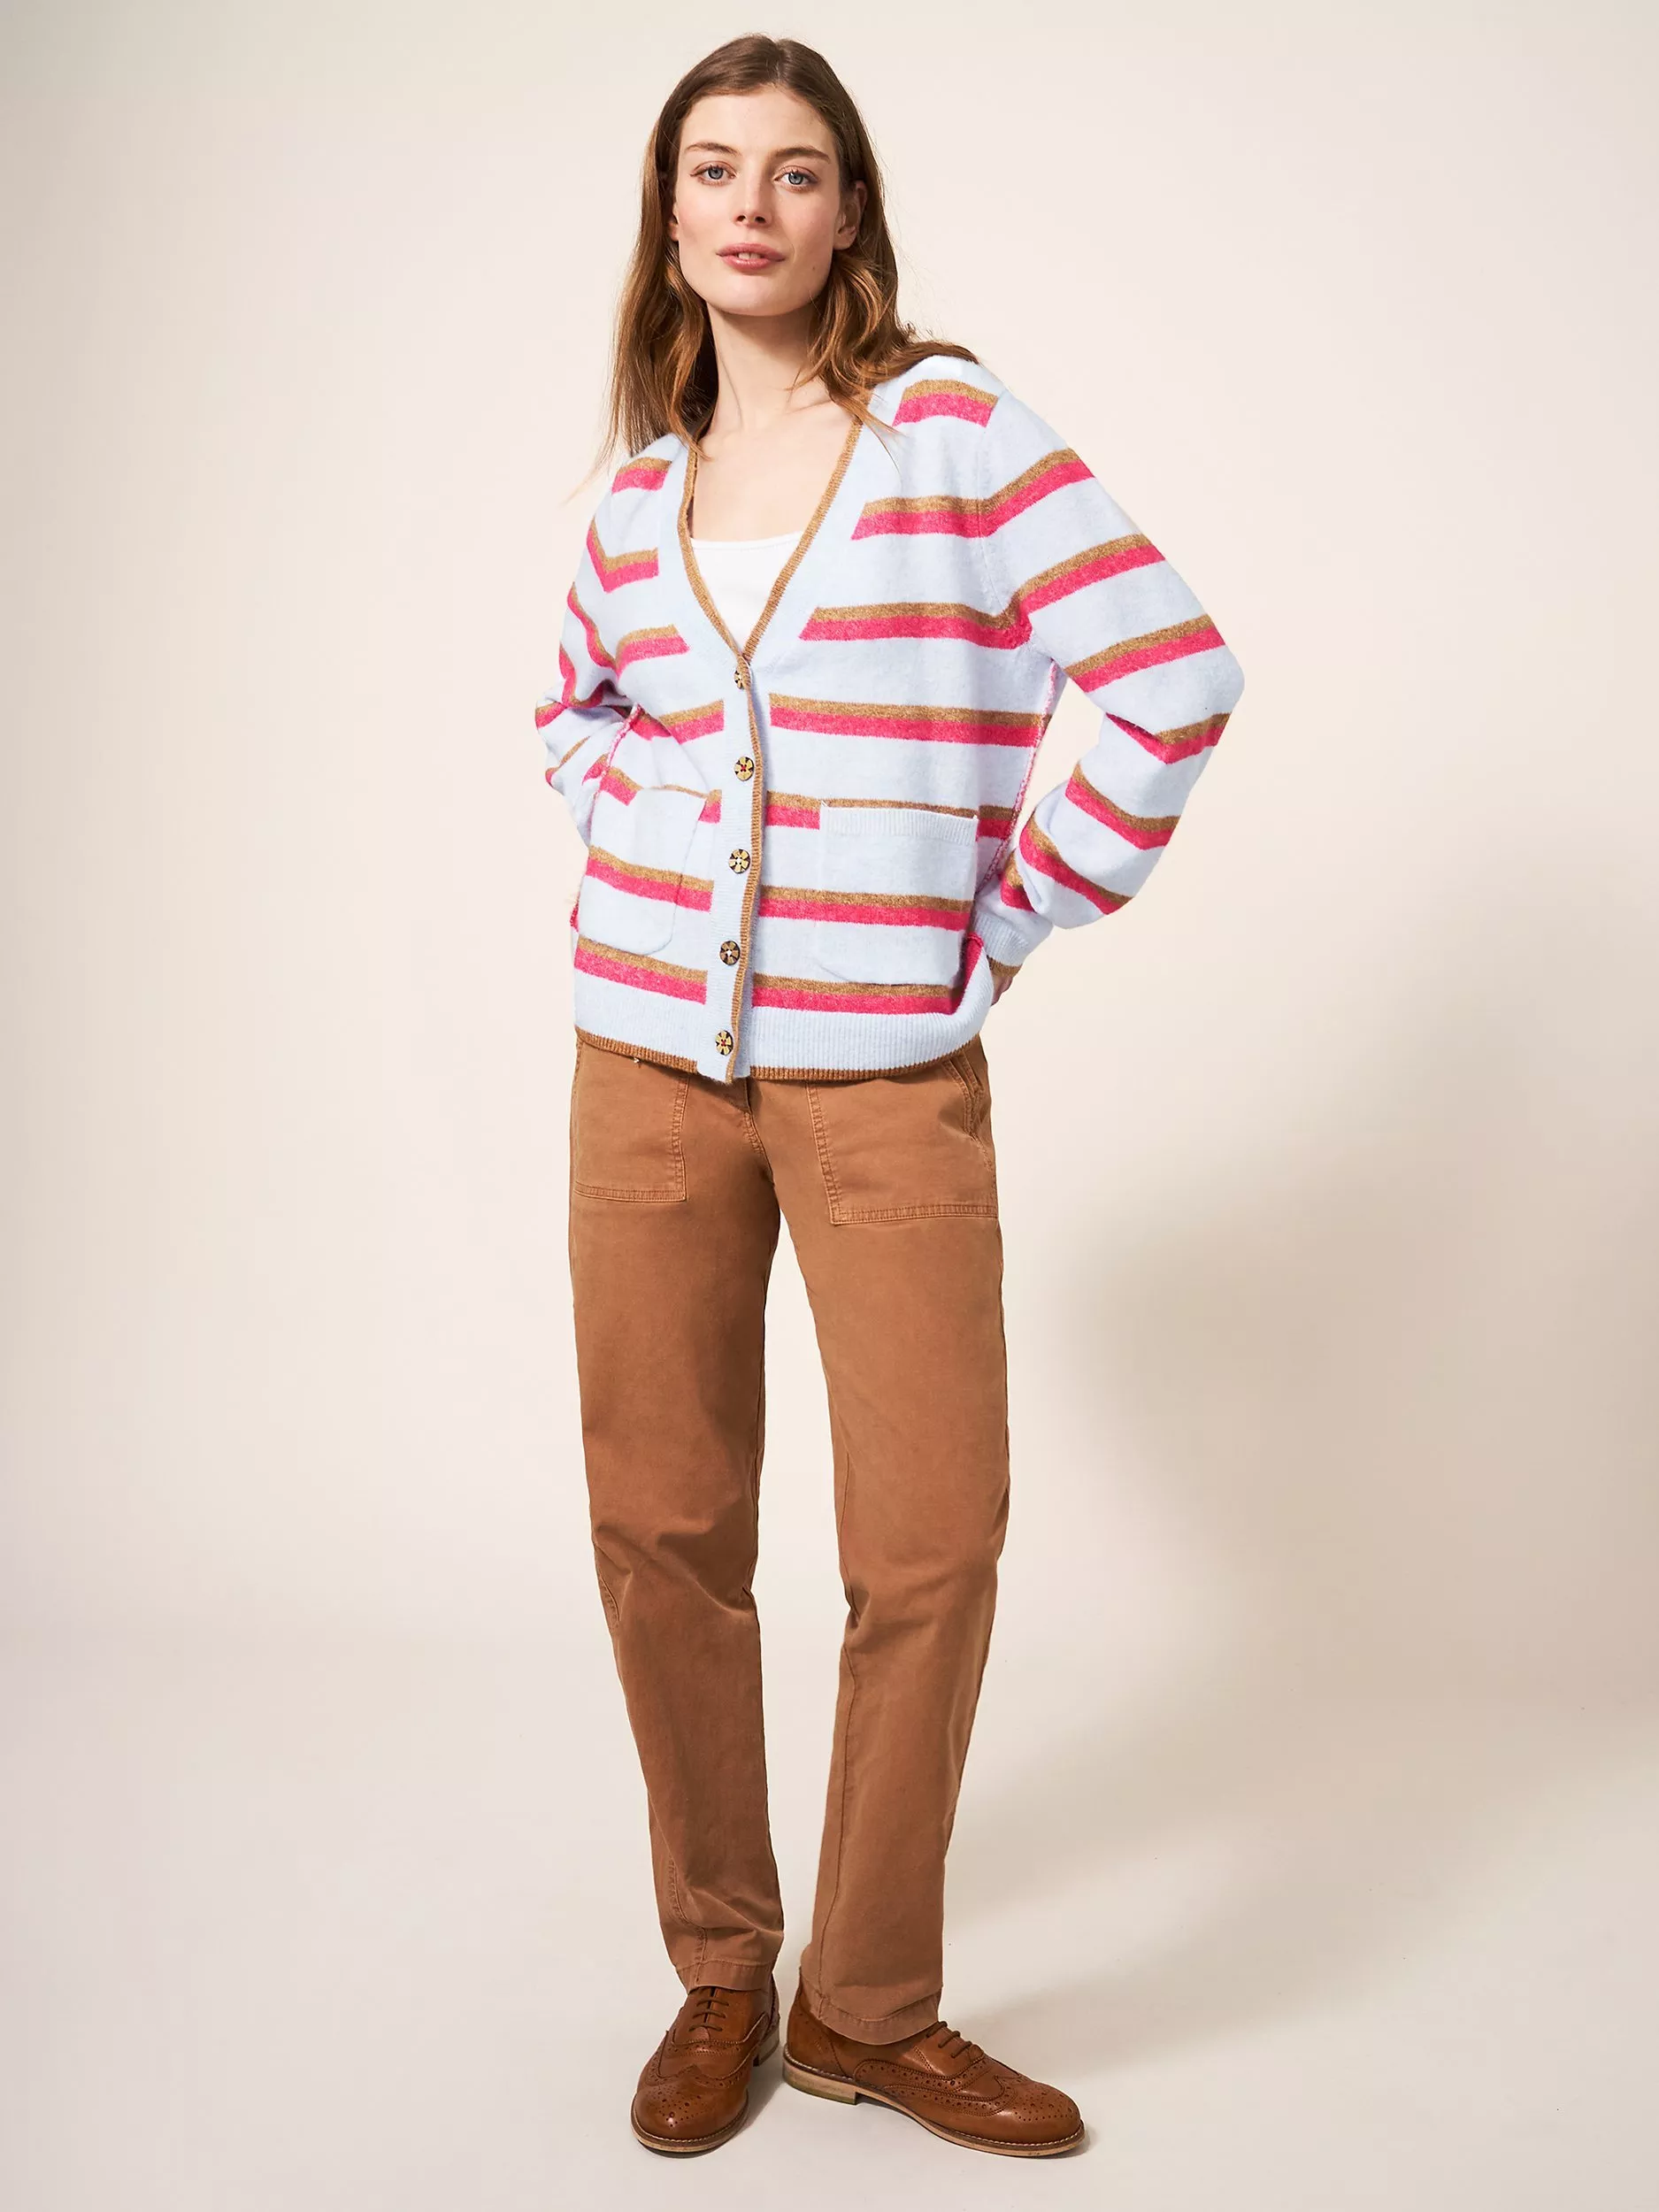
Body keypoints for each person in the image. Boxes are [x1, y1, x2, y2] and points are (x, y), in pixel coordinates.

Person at [534, 32, 1244, 2162]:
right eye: (712, 169)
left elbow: (1172, 671)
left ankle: (866, 2001)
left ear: (848, 210)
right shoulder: (636, 496)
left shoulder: (949, 432)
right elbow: (573, 720)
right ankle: (720, 1968)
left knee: (930, 1540)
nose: (750, 205)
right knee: (664, 1524)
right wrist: (658, 833)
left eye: (794, 169)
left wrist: (1007, 906)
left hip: (882, 1079)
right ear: (668, 218)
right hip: (642, 1072)